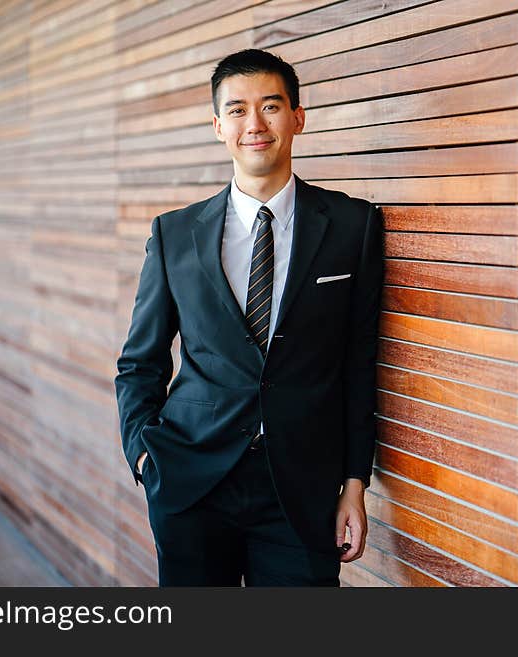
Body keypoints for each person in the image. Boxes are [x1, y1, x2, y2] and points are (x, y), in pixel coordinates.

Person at [114, 48, 383, 586]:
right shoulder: (175, 235)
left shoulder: (354, 226)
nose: (254, 125)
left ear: (298, 117)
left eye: (271, 106)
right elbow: (140, 362)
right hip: (191, 483)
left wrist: (355, 483)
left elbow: (358, 365)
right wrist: (144, 453)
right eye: (236, 111)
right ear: (218, 127)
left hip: (300, 492)